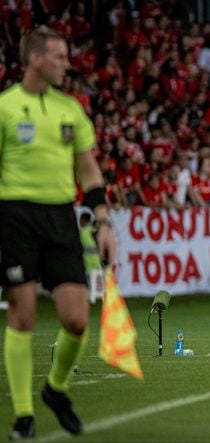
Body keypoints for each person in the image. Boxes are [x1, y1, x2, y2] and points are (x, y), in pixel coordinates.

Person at [0, 27, 116, 440]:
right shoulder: (5, 107)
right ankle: (25, 417)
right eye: (60, 57)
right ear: (35, 59)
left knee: (77, 319)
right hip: (15, 216)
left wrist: (102, 221)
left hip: (62, 217)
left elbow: (88, 170)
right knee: (23, 314)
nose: (67, 64)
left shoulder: (71, 109)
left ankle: (55, 389)